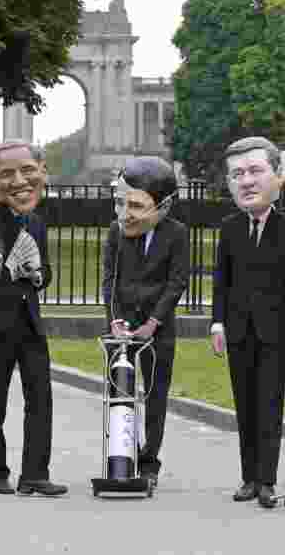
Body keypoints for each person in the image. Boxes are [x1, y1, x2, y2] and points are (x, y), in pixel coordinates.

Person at [209, 136, 285, 508]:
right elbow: (220, 281)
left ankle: (267, 480)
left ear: (276, 177)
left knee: (270, 403)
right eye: (237, 174)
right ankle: (248, 478)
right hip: (237, 330)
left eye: (255, 171)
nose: (246, 181)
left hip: (273, 331)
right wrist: (216, 323)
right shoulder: (228, 228)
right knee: (245, 405)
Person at [0, 140, 67, 497]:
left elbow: (46, 270)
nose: (19, 181)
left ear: (42, 172)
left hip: (30, 323)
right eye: (7, 174)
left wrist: (39, 274)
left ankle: (35, 474)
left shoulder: (38, 222)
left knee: (41, 398)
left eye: (28, 171)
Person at [101, 156, 189, 489]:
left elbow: (176, 282)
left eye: (135, 205)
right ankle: (120, 459)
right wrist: (114, 321)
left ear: (163, 206)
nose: (125, 213)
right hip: (121, 328)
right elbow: (109, 280)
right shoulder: (116, 231)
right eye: (120, 202)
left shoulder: (177, 234)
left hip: (158, 329)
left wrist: (154, 322)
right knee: (119, 395)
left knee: (155, 397)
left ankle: (149, 462)